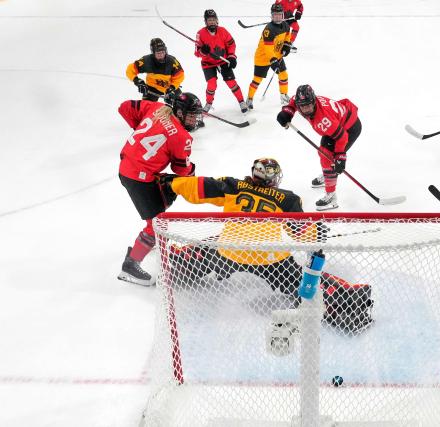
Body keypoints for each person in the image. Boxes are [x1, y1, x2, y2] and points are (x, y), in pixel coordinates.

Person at [158, 158, 374, 333]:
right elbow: (300, 233)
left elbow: (198, 186)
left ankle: (180, 262)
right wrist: (317, 230)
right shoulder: (287, 199)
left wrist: (172, 183)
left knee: (210, 244)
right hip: (269, 258)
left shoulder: (233, 186)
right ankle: (344, 299)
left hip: (230, 252)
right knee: (302, 277)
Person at [117, 93, 203, 286]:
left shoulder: (155, 108)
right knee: (157, 224)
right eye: (191, 115)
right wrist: (192, 170)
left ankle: (150, 238)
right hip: (137, 178)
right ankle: (130, 266)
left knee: (164, 191)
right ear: (179, 112)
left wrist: (138, 128)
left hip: (127, 168)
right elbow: (181, 170)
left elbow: (124, 106)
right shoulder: (183, 137)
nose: (194, 120)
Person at [276, 84, 361, 211]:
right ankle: (328, 175)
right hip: (337, 125)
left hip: (349, 128)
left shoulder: (324, 119)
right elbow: (293, 100)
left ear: (314, 102)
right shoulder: (302, 101)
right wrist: (287, 112)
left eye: (308, 105)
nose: (305, 110)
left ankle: (331, 196)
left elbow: (342, 137)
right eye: (302, 106)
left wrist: (340, 158)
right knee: (325, 155)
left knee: (327, 156)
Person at [195, 9, 248, 114]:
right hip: (208, 63)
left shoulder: (223, 31)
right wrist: (203, 51)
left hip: (223, 61)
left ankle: (241, 101)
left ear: (217, 20)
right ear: (206, 22)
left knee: (231, 82)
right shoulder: (200, 33)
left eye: (214, 19)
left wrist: (232, 57)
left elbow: (231, 44)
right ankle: (209, 103)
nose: (212, 22)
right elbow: (197, 53)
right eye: (209, 20)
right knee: (212, 84)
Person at [246, 3, 292, 109]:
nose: (277, 17)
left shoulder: (285, 25)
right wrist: (273, 60)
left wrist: (286, 45)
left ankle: (283, 95)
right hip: (263, 57)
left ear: (282, 15)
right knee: (257, 79)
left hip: (277, 55)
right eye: (275, 15)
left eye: (279, 14)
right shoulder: (269, 29)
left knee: (283, 75)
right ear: (271, 16)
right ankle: (249, 98)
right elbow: (267, 48)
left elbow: (287, 36)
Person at [126, 38, 185, 104]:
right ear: (153, 53)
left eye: (163, 52)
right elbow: (130, 69)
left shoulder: (172, 61)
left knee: (181, 104)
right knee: (145, 107)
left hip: (170, 88)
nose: (161, 55)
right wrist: (137, 81)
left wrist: (173, 87)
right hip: (152, 88)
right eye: (158, 53)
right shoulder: (146, 61)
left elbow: (180, 75)